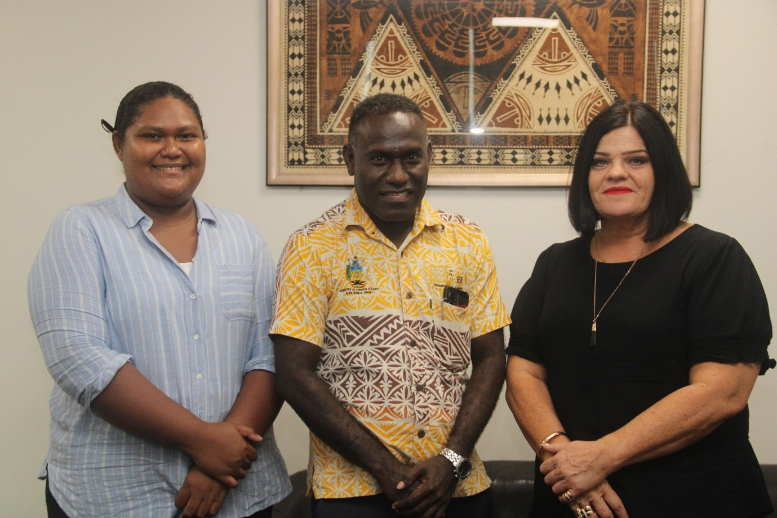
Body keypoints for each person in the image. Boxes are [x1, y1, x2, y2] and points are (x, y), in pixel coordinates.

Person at [28, 81, 290, 518]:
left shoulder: (242, 237)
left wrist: (220, 461)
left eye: (187, 135)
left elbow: (268, 355)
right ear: (118, 144)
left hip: (237, 491)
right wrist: (201, 441)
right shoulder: (80, 229)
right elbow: (79, 359)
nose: (172, 149)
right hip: (115, 495)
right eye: (152, 135)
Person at [505, 100, 775, 518]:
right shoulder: (555, 263)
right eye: (599, 162)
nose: (616, 172)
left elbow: (723, 392)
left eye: (636, 160)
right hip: (571, 497)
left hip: (695, 499)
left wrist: (600, 457)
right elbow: (523, 370)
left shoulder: (714, 257)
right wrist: (562, 457)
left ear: (662, 170)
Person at [270, 93, 510, 518]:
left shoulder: (468, 242)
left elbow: (491, 358)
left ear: (429, 156)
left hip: (458, 490)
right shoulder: (311, 247)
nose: (398, 175)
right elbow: (293, 374)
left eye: (411, 157)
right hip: (354, 493)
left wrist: (452, 460)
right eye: (379, 159)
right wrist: (386, 468)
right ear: (350, 159)